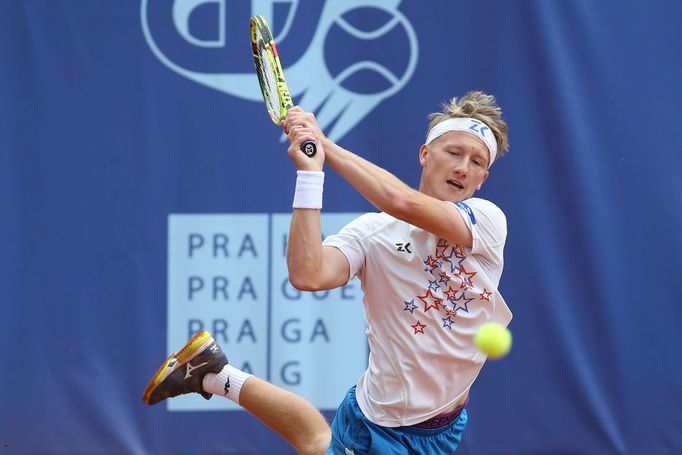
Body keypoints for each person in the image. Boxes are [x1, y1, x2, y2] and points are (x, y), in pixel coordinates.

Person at [143, 91, 513, 454]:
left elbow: (402, 202)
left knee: (316, 444)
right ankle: (214, 375)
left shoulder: (487, 223)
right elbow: (308, 274)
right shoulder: (372, 234)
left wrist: (324, 144)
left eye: (477, 162)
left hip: (444, 426)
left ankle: (214, 373)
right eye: (453, 152)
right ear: (425, 153)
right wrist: (310, 175)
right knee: (318, 446)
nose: (463, 167)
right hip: (380, 426)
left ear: (482, 179)